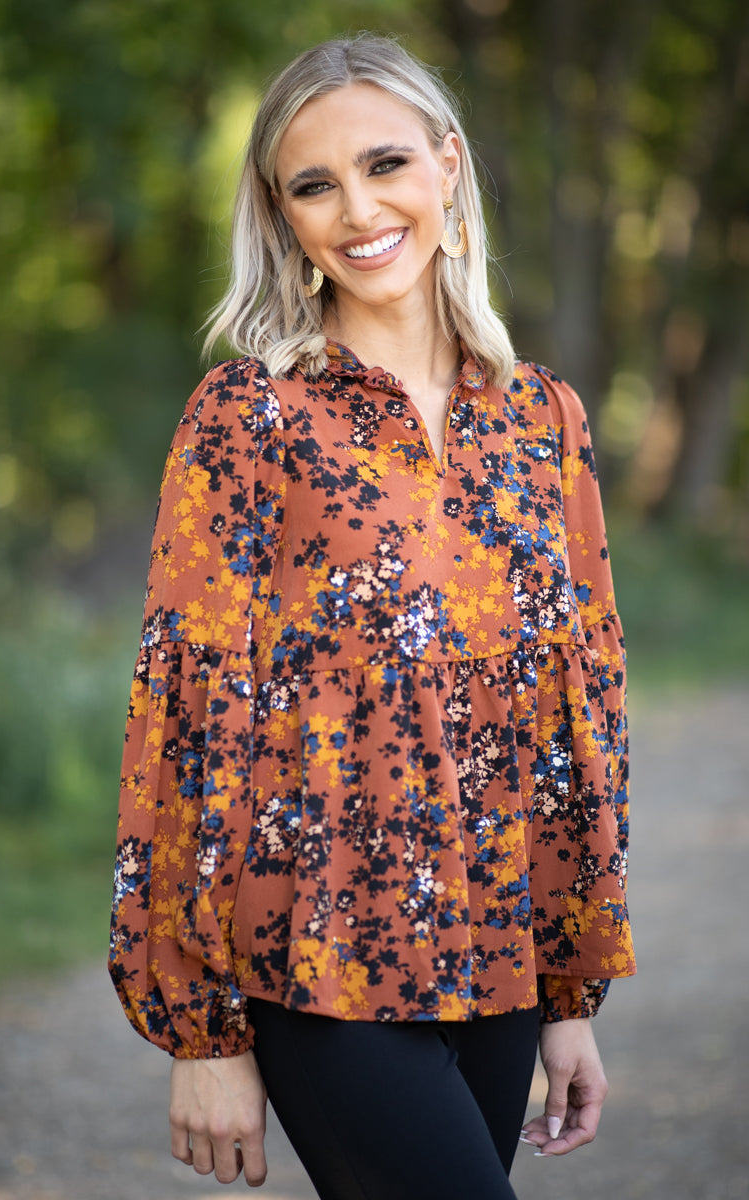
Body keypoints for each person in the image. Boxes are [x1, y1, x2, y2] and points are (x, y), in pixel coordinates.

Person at [109, 33, 635, 1200]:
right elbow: (184, 721)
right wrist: (204, 1032)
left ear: (446, 167)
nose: (357, 210)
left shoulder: (540, 421)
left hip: (497, 949)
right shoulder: (248, 417)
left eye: (385, 163)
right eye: (313, 184)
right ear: (280, 216)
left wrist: (566, 996)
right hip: (314, 954)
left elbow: (570, 726)